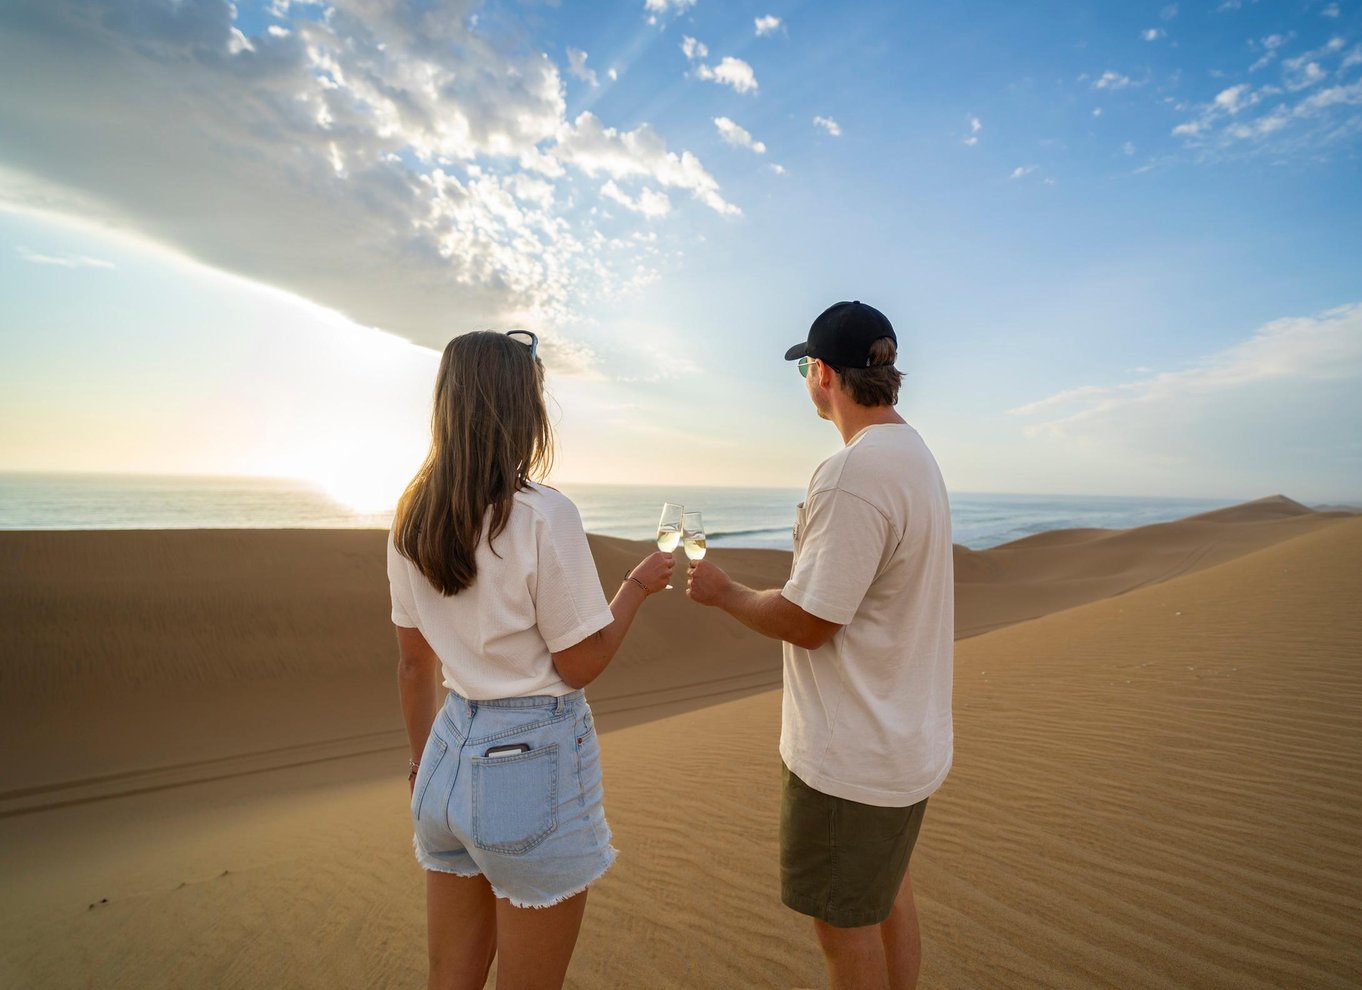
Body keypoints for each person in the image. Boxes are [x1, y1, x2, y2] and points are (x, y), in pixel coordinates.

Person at [387, 330, 674, 990]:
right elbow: (580, 663)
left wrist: (420, 761)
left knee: (448, 979)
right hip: (528, 768)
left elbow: (412, 663)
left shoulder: (411, 515)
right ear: (522, 409)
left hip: (443, 761)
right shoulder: (544, 514)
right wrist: (633, 590)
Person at [686, 301, 954, 990]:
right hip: (902, 742)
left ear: (826, 375)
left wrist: (725, 594)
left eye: (807, 365)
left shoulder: (853, 475)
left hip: (851, 757)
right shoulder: (914, 454)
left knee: (845, 929)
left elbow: (811, 621)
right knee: (885, 894)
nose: (806, 377)